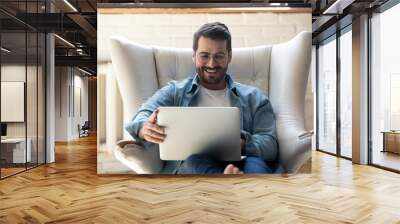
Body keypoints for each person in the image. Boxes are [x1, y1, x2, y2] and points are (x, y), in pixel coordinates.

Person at [125, 22, 278, 174]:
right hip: (197, 163)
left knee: (256, 164)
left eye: (219, 56)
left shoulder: (254, 97)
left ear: (229, 56)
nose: (211, 64)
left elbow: (270, 145)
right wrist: (143, 128)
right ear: (194, 56)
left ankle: (227, 186)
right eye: (204, 56)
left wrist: (242, 144)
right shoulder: (174, 91)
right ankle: (231, 186)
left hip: (243, 160)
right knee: (193, 161)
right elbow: (140, 117)